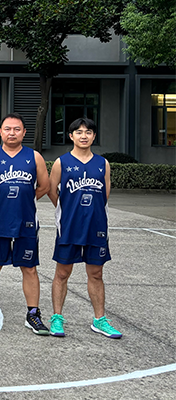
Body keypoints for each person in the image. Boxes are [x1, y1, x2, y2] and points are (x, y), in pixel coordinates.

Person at [0, 113, 50, 335]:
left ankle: (33, 314)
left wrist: (25, 200)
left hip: (26, 221)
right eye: (7, 129)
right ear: (0, 132)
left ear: (24, 132)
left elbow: (44, 186)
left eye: (17, 129)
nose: (12, 133)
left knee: (29, 268)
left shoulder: (34, 157)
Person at [47, 117, 122, 338]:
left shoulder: (103, 164)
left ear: (94, 136)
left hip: (96, 226)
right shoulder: (61, 162)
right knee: (62, 272)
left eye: (88, 132)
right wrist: (67, 209)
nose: (84, 136)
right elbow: (52, 191)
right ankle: (57, 318)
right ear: (71, 136)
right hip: (69, 226)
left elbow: (105, 194)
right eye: (79, 132)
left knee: (96, 273)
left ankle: (100, 320)